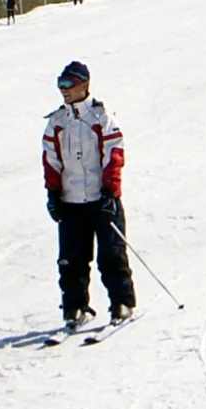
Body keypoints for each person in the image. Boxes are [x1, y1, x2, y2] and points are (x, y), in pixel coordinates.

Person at [42, 61, 134, 331]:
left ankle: (122, 302)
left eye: (68, 84)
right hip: (72, 202)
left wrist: (110, 193)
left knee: (111, 255)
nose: (63, 90)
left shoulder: (101, 118)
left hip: (101, 200)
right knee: (71, 260)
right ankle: (74, 307)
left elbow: (114, 156)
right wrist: (53, 194)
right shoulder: (57, 123)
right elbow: (51, 161)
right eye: (60, 83)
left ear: (84, 84)